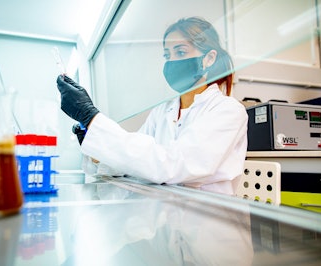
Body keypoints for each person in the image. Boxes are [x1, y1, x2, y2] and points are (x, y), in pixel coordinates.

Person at [56, 16, 248, 195]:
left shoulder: (228, 110)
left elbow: (172, 166)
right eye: (167, 55)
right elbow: (135, 161)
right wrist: (94, 143)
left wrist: (92, 119)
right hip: (169, 214)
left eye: (180, 52)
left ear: (209, 59)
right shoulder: (163, 111)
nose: (172, 61)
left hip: (212, 221)